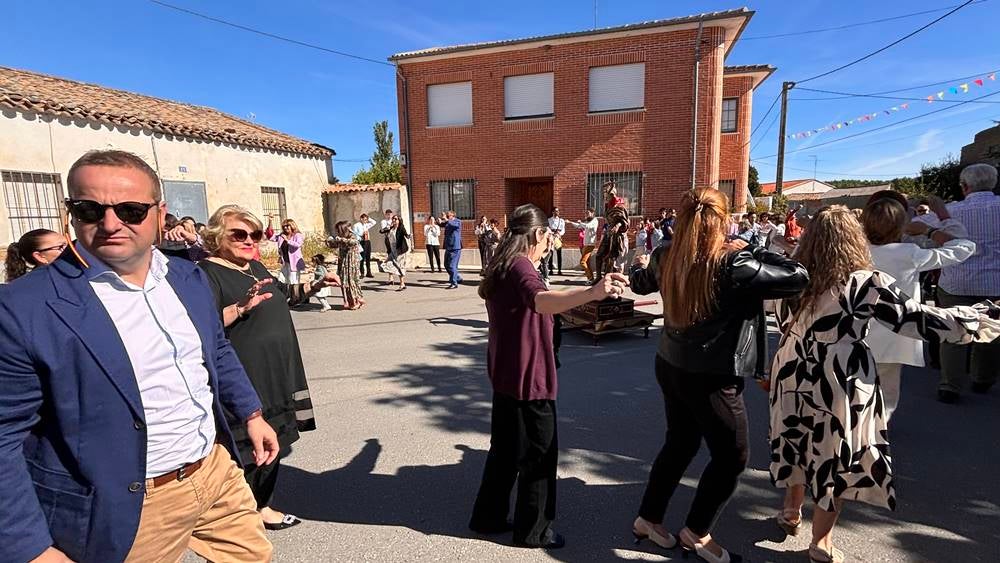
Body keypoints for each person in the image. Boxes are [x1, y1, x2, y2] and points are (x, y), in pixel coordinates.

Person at [0, 150, 280, 563]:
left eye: (130, 210)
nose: (111, 223)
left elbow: (214, 350)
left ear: (159, 213)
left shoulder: (187, 278)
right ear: (70, 213)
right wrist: (30, 549)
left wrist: (251, 414)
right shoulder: (24, 306)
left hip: (215, 472)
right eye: (90, 209)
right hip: (130, 505)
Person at [767, 205, 999, 563]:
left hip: (792, 365)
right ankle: (821, 542)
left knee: (796, 437)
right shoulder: (866, 282)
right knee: (835, 452)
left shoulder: (793, 277)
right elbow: (918, 320)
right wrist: (978, 317)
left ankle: (790, 512)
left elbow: (779, 319)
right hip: (839, 373)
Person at [629, 188, 808, 563]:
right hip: (711, 376)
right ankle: (696, 530)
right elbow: (798, 275)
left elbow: (640, 283)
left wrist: (637, 265)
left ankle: (649, 517)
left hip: (671, 363)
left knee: (679, 443)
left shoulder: (667, 253)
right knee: (731, 457)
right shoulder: (735, 262)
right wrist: (755, 247)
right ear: (723, 220)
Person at [469, 203, 630, 550]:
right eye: (549, 238)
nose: (548, 246)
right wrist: (592, 292)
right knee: (539, 457)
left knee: (505, 452)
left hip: (507, 376)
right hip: (529, 380)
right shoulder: (521, 266)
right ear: (539, 233)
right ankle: (534, 531)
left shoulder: (501, 264)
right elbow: (540, 300)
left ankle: (488, 517)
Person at [200, 204, 335, 533]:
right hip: (247, 373)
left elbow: (286, 295)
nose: (249, 240)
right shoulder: (206, 273)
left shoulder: (255, 266)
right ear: (218, 237)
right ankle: (240, 514)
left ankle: (262, 505)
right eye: (239, 234)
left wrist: (316, 287)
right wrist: (240, 308)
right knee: (246, 448)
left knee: (277, 437)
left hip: (279, 371)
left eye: (255, 234)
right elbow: (202, 328)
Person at [863, 197, 975, 420]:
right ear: (901, 225)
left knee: (854, 385)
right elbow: (964, 247)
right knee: (887, 391)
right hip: (894, 332)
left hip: (857, 330)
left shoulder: (855, 252)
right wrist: (930, 230)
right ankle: (876, 434)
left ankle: (853, 428)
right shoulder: (909, 254)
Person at [936, 163, 1000, 402]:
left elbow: (925, 238)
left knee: (953, 334)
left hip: (956, 282)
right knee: (991, 333)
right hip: (996, 282)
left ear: (964, 187)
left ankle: (950, 386)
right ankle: (983, 379)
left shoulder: (951, 211)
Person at [267, 216, 306, 306]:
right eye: (284, 226)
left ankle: (296, 299)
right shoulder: (281, 236)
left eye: (287, 226)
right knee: (282, 279)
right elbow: (270, 236)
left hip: (294, 263)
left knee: (294, 281)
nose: (285, 228)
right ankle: (286, 297)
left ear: (292, 226)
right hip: (285, 262)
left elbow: (298, 245)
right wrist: (270, 221)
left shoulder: (297, 235)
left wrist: (287, 240)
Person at [328, 220, 366, 309]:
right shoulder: (341, 238)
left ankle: (356, 301)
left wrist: (339, 239)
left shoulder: (351, 236)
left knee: (351, 281)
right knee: (344, 282)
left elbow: (353, 242)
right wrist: (328, 241)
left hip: (351, 263)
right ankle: (352, 301)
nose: (337, 232)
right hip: (343, 262)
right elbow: (333, 245)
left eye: (338, 230)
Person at [568, 209, 599, 281]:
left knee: (582, 262)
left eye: (588, 213)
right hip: (586, 244)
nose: (586, 214)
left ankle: (590, 278)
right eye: (586, 213)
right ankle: (591, 278)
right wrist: (571, 222)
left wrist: (581, 223)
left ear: (592, 213)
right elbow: (579, 226)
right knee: (587, 262)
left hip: (590, 244)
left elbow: (587, 226)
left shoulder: (594, 220)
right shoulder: (588, 221)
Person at [386, 214, 411, 291]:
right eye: (393, 219)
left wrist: (408, 236)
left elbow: (406, 235)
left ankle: (402, 283)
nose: (394, 220)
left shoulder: (401, 228)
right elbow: (381, 231)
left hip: (400, 250)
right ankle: (391, 279)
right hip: (392, 249)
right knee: (388, 263)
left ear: (399, 220)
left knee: (400, 266)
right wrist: (386, 228)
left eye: (396, 219)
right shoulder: (390, 228)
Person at [441, 210, 463, 289]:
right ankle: (457, 278)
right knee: (446, 265)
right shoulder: (448, 222)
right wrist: (439, 221)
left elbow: (454, 225)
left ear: (453, 216)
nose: (447, 217)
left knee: (452, 265)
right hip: (448, 246)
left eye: (448, 215)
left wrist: (446, 220)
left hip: (455, 247)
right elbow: (442, 224)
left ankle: (454, 283)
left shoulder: (457, 221)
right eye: (446, 215)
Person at [352, 213, 377, 278]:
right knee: (362, 257)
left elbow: (374, 222)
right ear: (361, 219)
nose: (365, 221)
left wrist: (369, 218)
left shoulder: (366, 225)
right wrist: (361, 235)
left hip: (367, 241)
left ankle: (369, 272)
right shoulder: (356, 225)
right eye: (364, 219)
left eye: (366, 219)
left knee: (368, 257)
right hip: (361, 241)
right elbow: (355, 234)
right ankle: (362, 273)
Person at [547, 207, 566, 275]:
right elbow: (548, 229)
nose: (557, 212)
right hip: (551, 237)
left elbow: (563, 230)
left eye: (558, 211)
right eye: (555, 211)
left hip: (558, 237)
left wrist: (559, 234)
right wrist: (551, 234)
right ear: (552, 212)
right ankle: (550, 270)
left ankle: (559, 270)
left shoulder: (561, 221)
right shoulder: (549, 220)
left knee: (559, 254)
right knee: (550, 254)